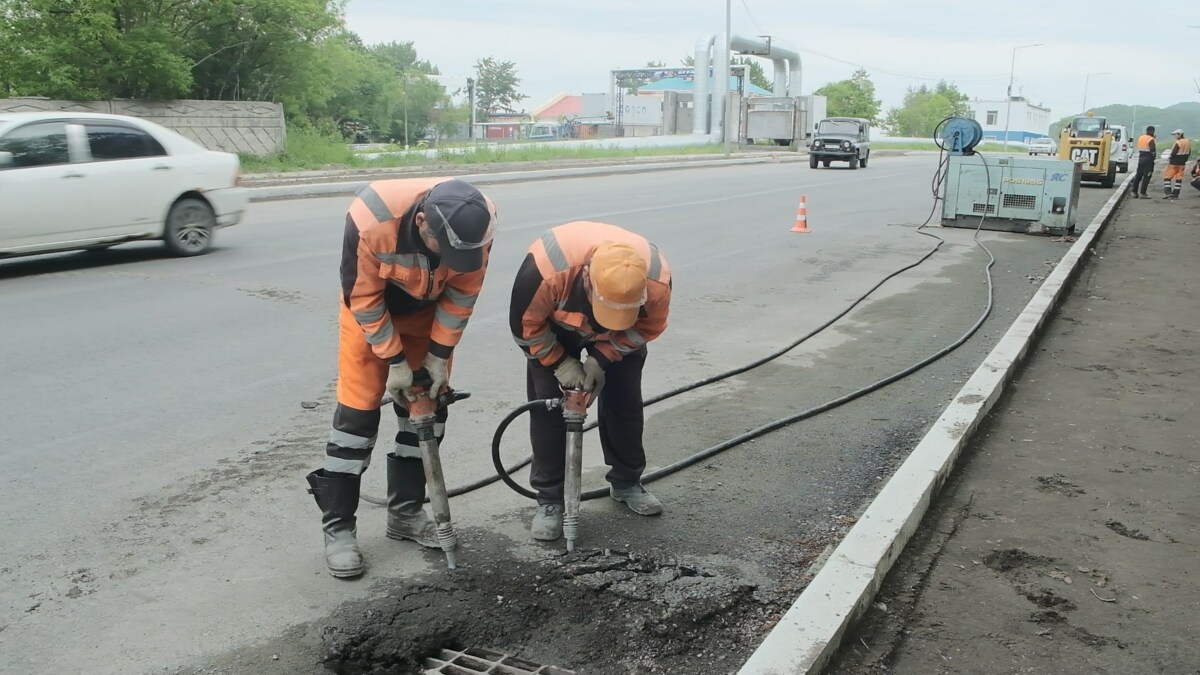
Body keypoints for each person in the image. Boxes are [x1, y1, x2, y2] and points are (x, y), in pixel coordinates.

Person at [305, 178, 497, 578]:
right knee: (355, 425)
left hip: (429, 322)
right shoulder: (371, 219)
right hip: (372, 321)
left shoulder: (477, 222)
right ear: (423, 222)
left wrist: (439, 356)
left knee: (427, 413)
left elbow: (463, 294)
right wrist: (394, 361)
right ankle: (338, 528)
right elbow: (362, 297)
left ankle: (406, 514)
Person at [508, 221, 672, 541]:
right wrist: (560, 363)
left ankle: (626, 482)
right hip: (554, 329)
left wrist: (603, 356)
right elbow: (525, 327)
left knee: (624, 401)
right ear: (587, 280)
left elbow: (647, 328)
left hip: (620, 339)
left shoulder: (656, 282)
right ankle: (551, 500)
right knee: (549, 406)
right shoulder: (545, 270)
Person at [1162, 129, 1191, 200]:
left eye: (1175, 134)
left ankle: (1168, 193)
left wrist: (1169, 157)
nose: (1174, 136)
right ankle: (1175, 195)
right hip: (1182, 163)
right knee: (1179, 179)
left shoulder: (1178, 142)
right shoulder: (1187, 142)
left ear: (1179, 134)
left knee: (1167, 177)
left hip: (1174, 163)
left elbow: (1174, 152)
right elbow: (1189, 152)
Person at [1129, 125, 1156, 198]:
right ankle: (1143, 193)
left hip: (1141, 157)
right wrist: (1153, 157)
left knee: (1138, 175)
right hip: (1148, 159)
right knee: (1147, 176)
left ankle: (1134, 192)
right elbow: (1152, 150)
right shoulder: (1151, 139)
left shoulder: (1141, 137)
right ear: (1153, 131)